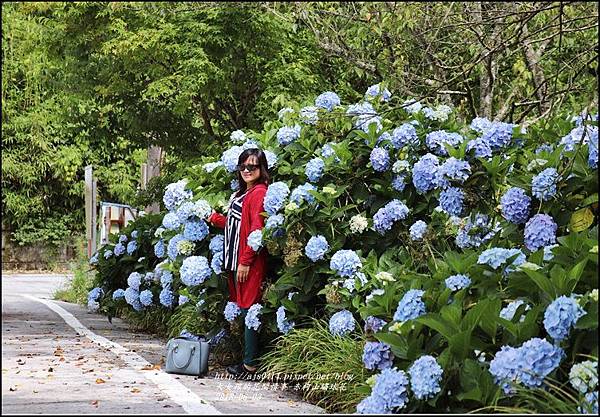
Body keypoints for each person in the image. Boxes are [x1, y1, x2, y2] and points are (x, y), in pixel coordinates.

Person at [208, 148, 269, 378]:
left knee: (249, 309)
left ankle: (250, 365)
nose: (246, 170)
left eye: (251, 167)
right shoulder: (244, 192)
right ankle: (246, 360)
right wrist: (216, 219)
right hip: (235, 260)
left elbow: (256, 230)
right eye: (242, 166)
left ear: (261, 169)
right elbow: (238, 225)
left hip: (248, 262)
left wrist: (245, 262)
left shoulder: (259, 193)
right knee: (243, 309)